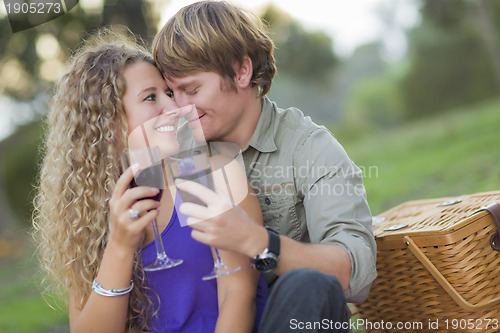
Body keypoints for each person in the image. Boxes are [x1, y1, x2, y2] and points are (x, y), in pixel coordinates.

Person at [153, 1, 377, 331]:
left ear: (242, 71)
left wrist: (258, 241)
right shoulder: (174, 149)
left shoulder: (309, 148)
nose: (180, 107)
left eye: (192, 89)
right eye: (173, 92)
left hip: (292, 319)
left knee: (309, 286)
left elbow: (355, 275)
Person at [32, 29, 267, 333]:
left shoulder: (212, 172)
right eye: (151, 97)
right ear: (109, 120)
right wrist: (119, 247)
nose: (174, 108)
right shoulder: (87, 214)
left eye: (168, 93)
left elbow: (239, 295)